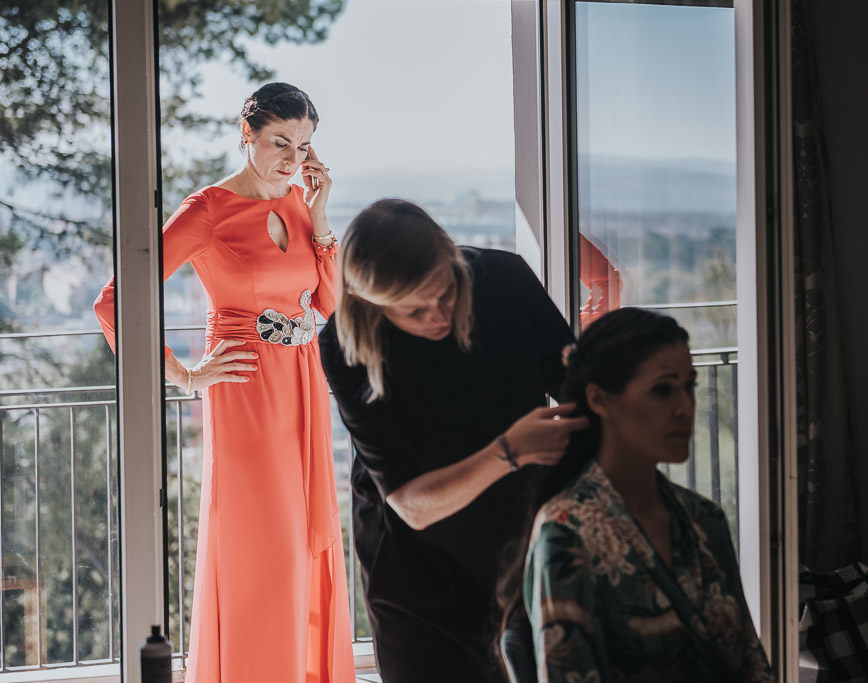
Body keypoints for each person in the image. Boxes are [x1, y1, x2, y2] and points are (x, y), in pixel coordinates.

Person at [94, 82, 355, 683]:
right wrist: (183, 373)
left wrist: (319, 218)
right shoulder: (208, 209)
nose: (292, 159)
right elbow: (114, 302)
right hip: (244, 390)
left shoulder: (298, 203)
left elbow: (327, 303)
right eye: (280, 142)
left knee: (303, 540)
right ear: (248, 136)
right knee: (260, 542)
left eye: (305, 145)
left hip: (303, 386)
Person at [318, 198, 589, 681]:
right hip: (413, 562)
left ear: (451, 258)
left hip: (517, 535)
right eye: (413, 310)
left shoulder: (504, 279)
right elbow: (410, 504)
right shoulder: (345, 342)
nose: (437, 316)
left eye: (445, 293)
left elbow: (580, 394)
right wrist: (511, 450)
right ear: (370, 304)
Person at [497, 308, 773, 682]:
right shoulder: (567, 533)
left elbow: (751, 662)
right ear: (600, 400)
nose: (685, 407)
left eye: (689, 386)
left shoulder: (705, 519)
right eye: (662, 389)